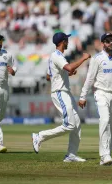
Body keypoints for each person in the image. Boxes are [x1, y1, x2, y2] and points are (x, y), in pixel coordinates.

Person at [32, 32, 91, 162]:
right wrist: (84, 58)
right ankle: (40, 136)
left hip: (65, 92)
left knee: (76, 124)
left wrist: (65, 74)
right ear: (63, 42)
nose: (68, 42)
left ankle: (71, 155)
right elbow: (69, 67)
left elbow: (49, 76)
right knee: (69, 125)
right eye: (67, 40)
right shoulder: (57, 55)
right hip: (60, 92)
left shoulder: (56, 56)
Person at [78, 33, 112, 165]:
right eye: (107, 41)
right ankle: (104, 154)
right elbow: (90, 78)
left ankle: (108, 155)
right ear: (103, 43)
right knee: (105, 120)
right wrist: (83, 96)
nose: (110, 43)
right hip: (101, 92)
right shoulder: (97, 59)